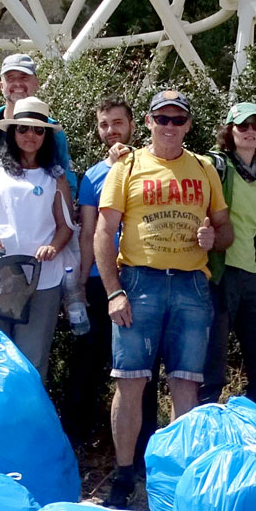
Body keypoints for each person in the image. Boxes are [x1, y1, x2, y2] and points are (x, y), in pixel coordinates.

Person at [96, 89, 232, 507]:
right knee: (131, 380)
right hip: (140, 282)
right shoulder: (128, 165)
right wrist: (114, 291)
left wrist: (214, 238)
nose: (170, 127)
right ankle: (123, 476)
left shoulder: (205, 168)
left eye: (178, 120)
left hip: (191, 283)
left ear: (189, 124)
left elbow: (226, 231)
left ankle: (174, 483)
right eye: (162, 119)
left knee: (186, 385)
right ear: (149, 122)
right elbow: (104, 234)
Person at [0, 53, 75, 351]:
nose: (31, 135)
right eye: (22, 129)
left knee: (32, 353)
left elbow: (65, 218)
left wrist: (54, 247)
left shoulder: (54, 171)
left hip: (41, 273)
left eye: (37, 130)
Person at [64, 99, 158, 450]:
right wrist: (82, 283)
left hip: (141, 279)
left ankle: (144, 450)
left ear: (133, 124)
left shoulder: (152, 166)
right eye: (104, 124)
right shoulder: (92, 176)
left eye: (117, 123)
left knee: (142, 370)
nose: (111, 130)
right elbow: (88, 233)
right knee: (88, 363)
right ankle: (77, 441)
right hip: (102, 281)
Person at [200, 101, 256, 407]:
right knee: (211, 366)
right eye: (242, 126)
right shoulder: (215, 167)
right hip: (219, 273)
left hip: (253, 275)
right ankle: (203, 433)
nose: (249, 132)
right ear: (229, 131)